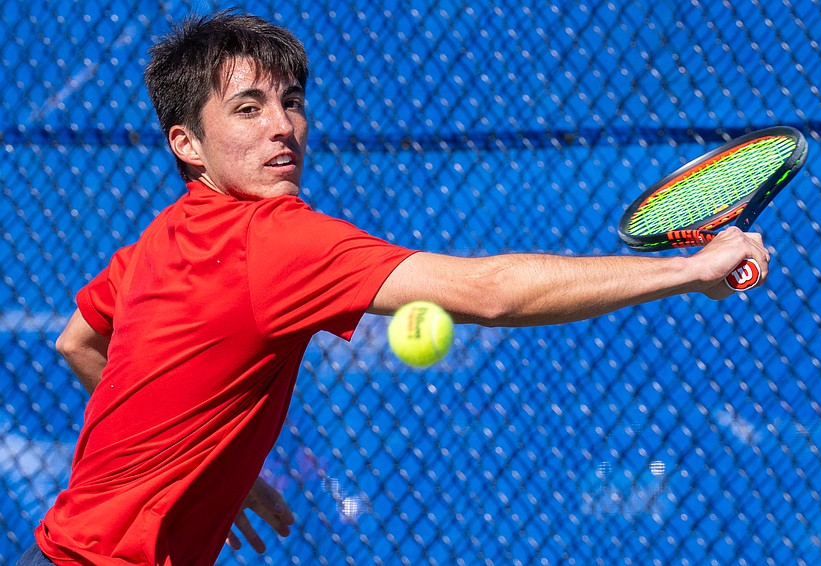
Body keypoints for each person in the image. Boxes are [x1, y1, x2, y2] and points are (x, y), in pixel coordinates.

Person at [21, 9, 771, 566]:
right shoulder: (278, 241)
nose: (284, 127)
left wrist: (202, 469)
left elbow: (77, 342)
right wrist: (688, 270)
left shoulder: (160, 239)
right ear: (187, 143)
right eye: (248, 108)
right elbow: (491, 293)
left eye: (292, 101)